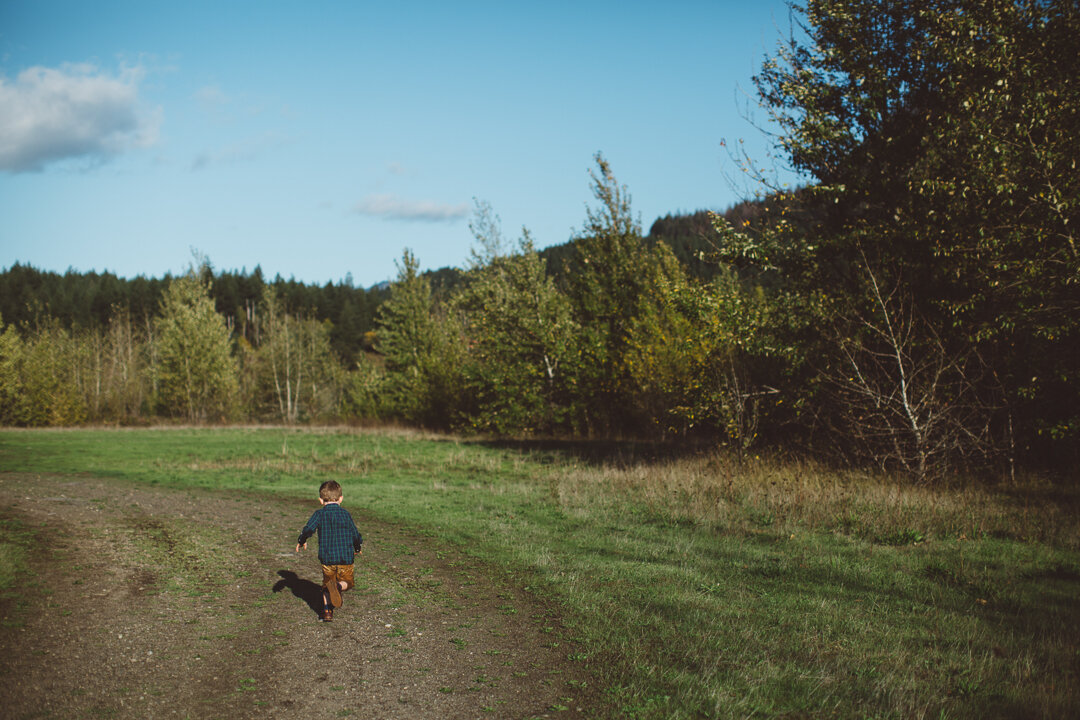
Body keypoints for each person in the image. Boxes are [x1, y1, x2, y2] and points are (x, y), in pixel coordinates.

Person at [295, 480, 363, 622]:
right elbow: (355, 534)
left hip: (327, 559)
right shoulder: (345, 514)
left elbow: (308, 529)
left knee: (327, 584)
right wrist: (357, 547)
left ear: (321, 500)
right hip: (345, 558)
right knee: (348, 582)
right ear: (341, 499)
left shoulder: (319, 514)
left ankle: (327, 612)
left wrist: (302, 540)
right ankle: (338, 586)